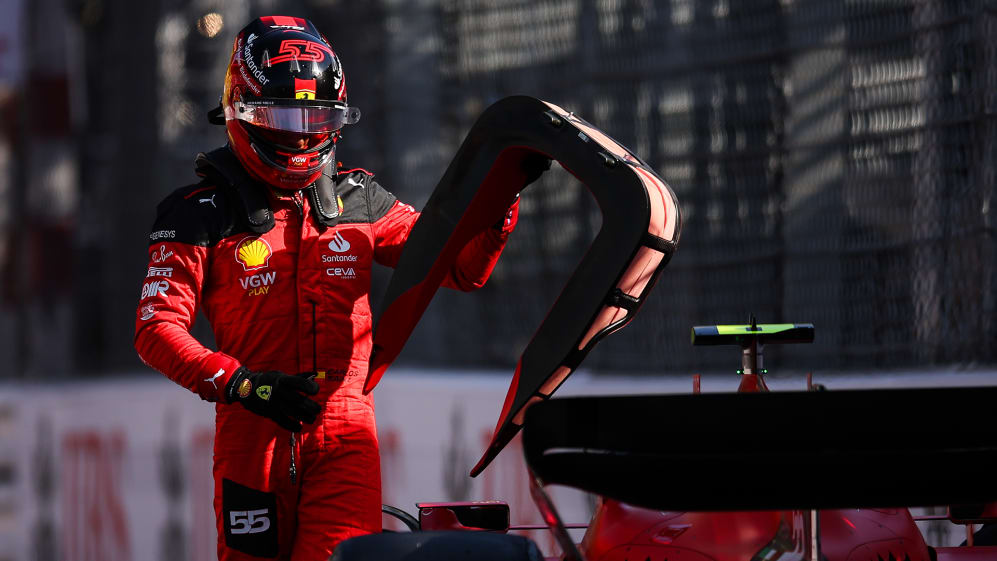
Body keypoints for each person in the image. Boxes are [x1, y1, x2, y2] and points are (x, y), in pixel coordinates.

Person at [134, 16, 543, 560]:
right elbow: (156, 328)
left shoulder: (360, 200)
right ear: (244, 110)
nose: (302, 131)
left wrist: (500, 200)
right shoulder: (195, 214)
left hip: (347, 433)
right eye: (284, 115)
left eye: (317, 115)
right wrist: (243, 385)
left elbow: (462, 267)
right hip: (252, 425)